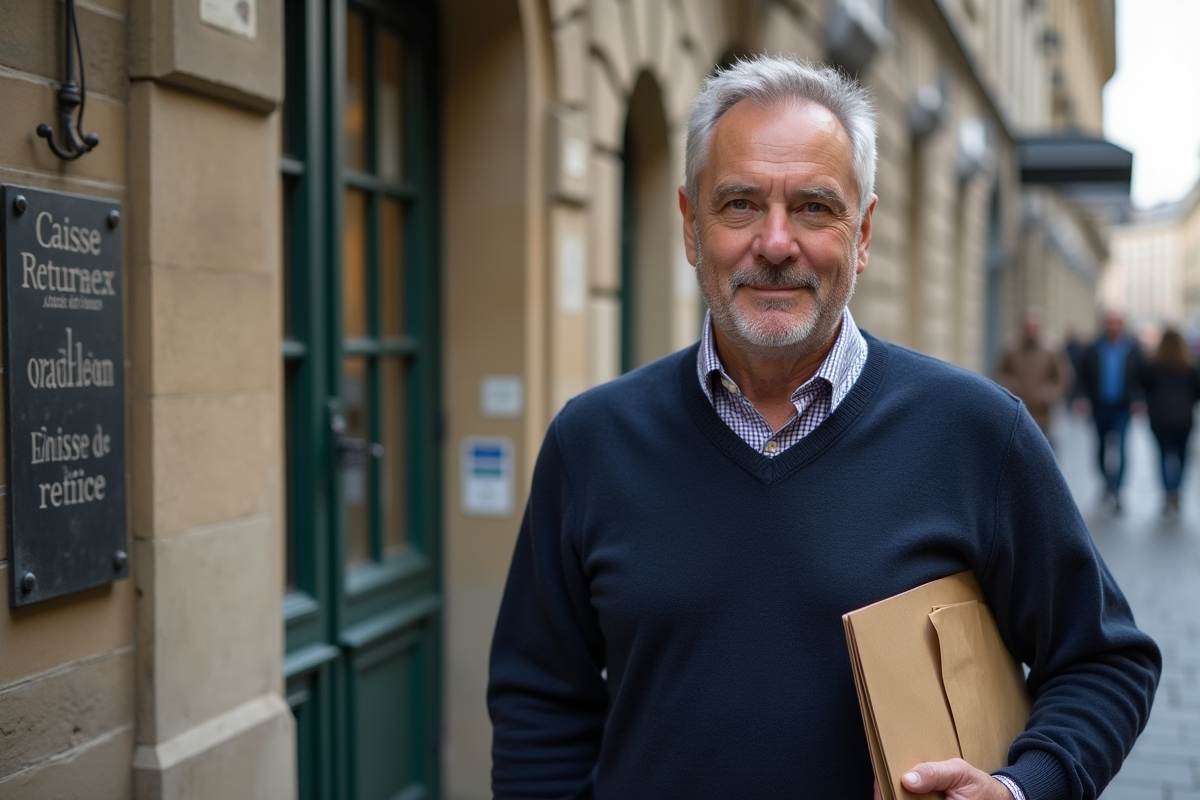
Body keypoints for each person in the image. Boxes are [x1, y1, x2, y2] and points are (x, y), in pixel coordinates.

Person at [488, 56, 1159, 800]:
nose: (776, 243)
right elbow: (538, 704)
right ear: (690, 226)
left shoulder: (975, 434)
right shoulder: (592, 443)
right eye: (739, 204)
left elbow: (1106, 661)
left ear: (863, 233)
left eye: (814, 207)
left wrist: (1024, 787)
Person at [1079, 310, 1145, 513]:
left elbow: (1141, 378)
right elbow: (1083, 376)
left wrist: (1139, 400)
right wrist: (1081, 397)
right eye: (1110, 323)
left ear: (1123, 325)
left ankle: (1117, 490)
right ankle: (1106, 483)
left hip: (1123, 407)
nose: (1114, 326)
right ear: (1104, 324)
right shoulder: (1093, 348)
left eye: (1117, 323)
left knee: (1122, 447)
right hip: (1099, 406)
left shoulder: (1133, 349)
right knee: (1100, 447)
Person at [1139, 327, 1200, 516]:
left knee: (1163, 456)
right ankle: (1176, 491)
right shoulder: (1190, 365)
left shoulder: (1152, 364)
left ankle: (1168, 492)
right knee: (1181, 457)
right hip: (1183, 418)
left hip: (1160, 418)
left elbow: (1144, 388)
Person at [996, 308, 1073, 436]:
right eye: (1027, 326)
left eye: (1033, 327)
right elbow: (1001, 373)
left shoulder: (1051, 349)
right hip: (1016, 411)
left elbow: (1064, 378)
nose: (1030, 330)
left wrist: (1048, 393)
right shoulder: (1011, 348)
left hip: (1042, 414)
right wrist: (1011, 387)